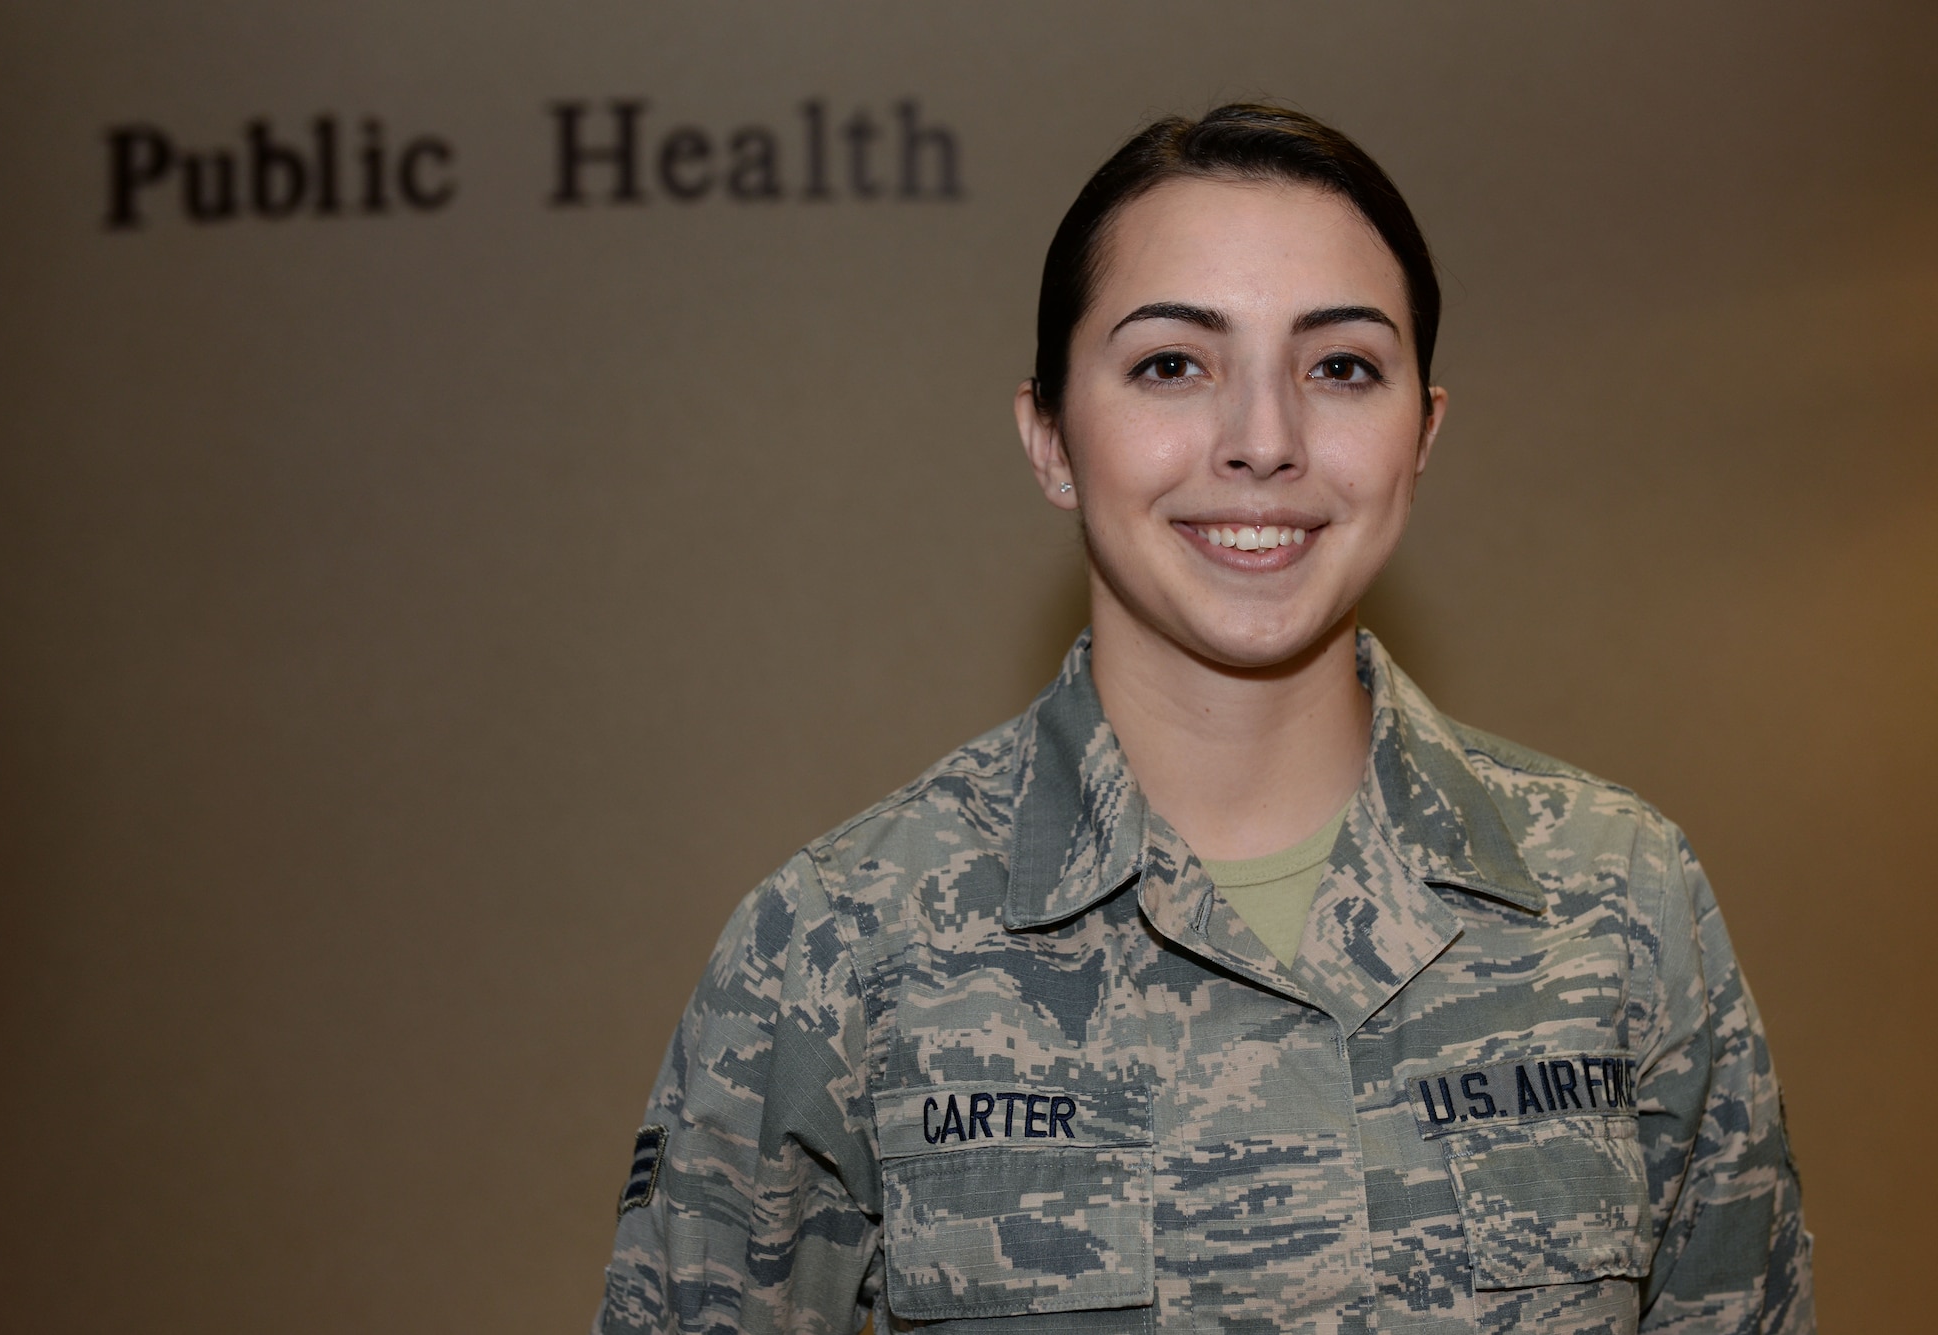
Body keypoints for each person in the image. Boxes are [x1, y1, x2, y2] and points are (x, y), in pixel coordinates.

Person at [593, 104, 1814, 1334]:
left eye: (1340, 367)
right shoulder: (836, 948)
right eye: (1170, 363)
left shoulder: (1621, 906)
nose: (1265, 442)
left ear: (1422, 433)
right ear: (1049, 438)